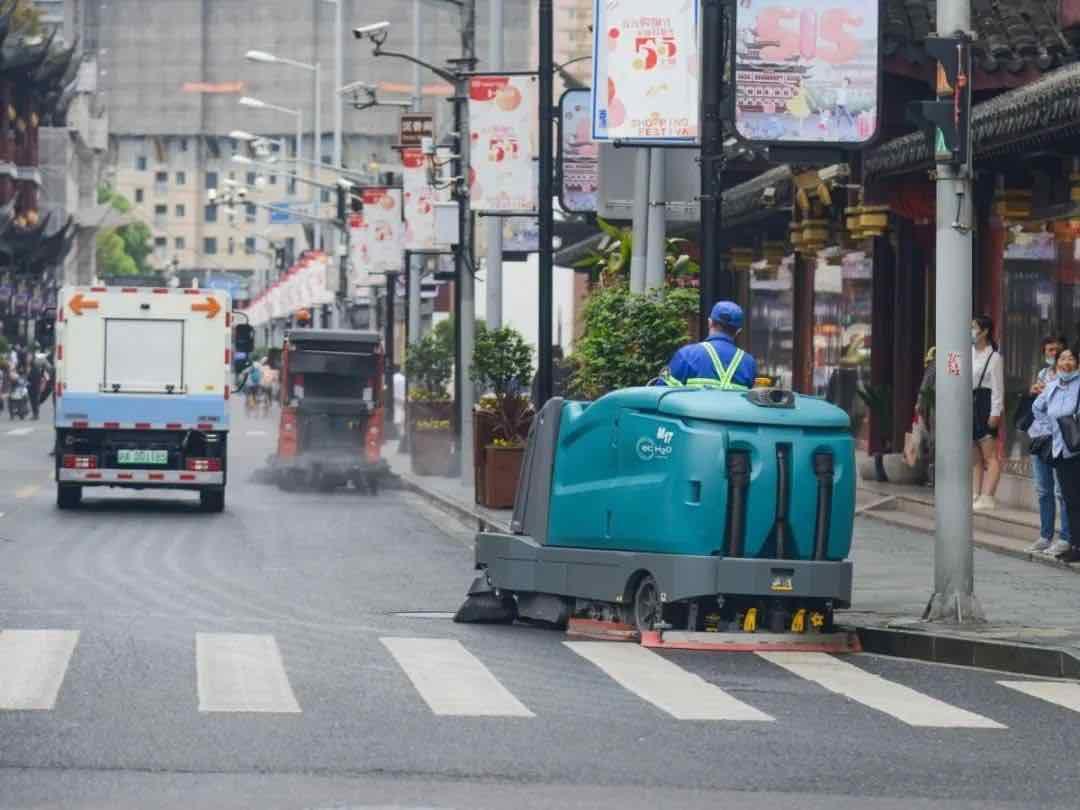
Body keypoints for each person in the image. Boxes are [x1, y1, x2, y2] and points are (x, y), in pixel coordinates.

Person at [1029, 346, 1080, 563]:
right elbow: (1037, 408)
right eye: (1062, 358)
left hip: (1077, 448)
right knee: (1070, 500)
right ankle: (1076, 545)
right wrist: (1049, 430)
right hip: (1061, 450)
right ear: (1057, 363)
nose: (1066, 362)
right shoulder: (1051, 386)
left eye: (1071, 359)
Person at [657, 301, 757, 390]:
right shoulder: (749, 363)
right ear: (738, 331)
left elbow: (660, 392)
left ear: (709, 323)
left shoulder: (687, 354)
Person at [972, 314, 1004, 511]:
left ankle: (988, 495)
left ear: (984, 331)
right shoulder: (968, 353)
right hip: (969, 402)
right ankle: (975, 493)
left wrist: (995, 413)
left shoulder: (994, 357)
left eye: (974, 327)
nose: (971, 331)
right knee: (973, 454)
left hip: (985, 402)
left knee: (989, 454)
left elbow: (997, 388)